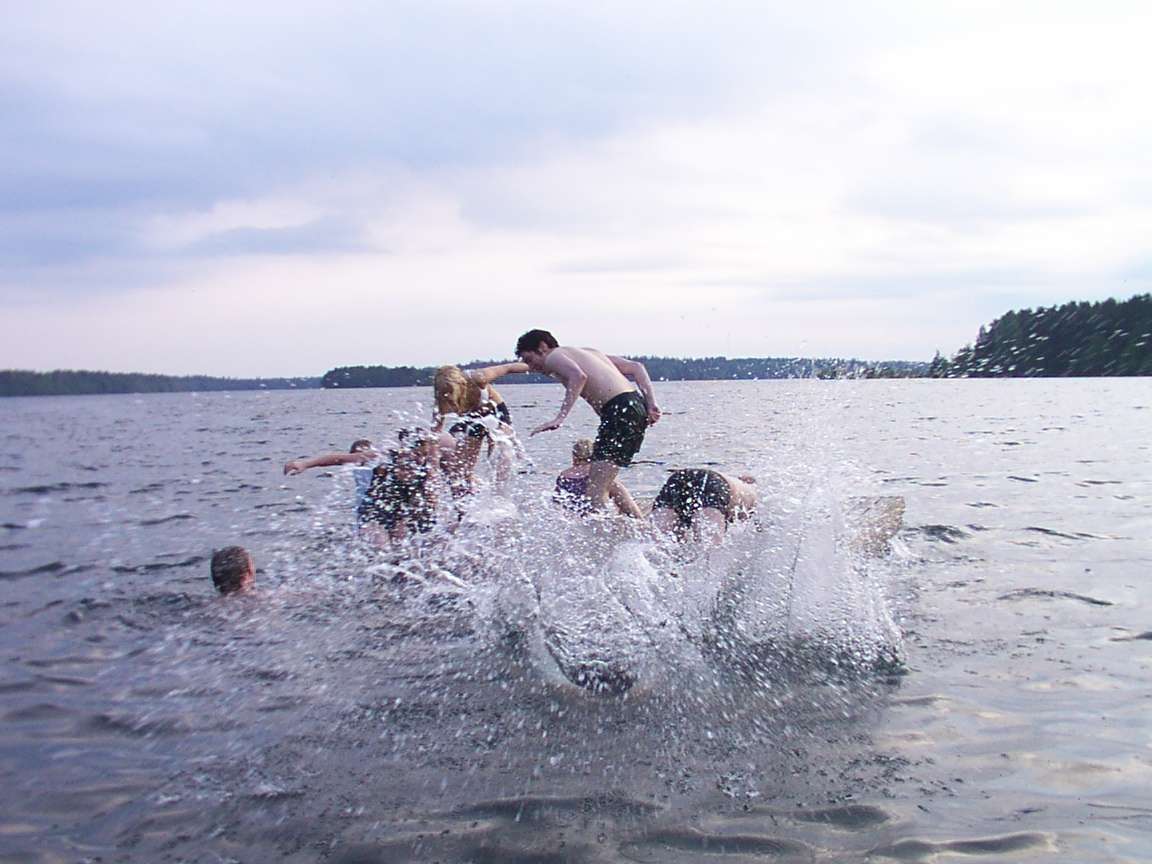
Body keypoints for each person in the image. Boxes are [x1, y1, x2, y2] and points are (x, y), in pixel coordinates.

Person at [514, 329, 660, 518]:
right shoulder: (591, 353)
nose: (532, 367)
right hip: (634, 407)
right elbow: (636, 367)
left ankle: (609, 534)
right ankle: (639, 526)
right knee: (603, 482)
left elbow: (578, 376)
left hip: (618, 412)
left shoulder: (553, 356)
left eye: (529, 359)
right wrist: (651, 404)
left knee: (595, 492)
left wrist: (560, 417)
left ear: (542, 347)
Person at [432, 363, 528, 497]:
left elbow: (508, 368)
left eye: (452, 393)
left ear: (461, 384)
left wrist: (539, 366)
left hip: (495, 414)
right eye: (444, 395)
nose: (449, 398)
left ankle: (500, 494)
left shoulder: (478, 377)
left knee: (502, 457)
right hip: (471, 420)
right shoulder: (441, 400)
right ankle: (474, 491)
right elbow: (435, 432)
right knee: (463, 469)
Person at [650, 470, 758, 544]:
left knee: (661, 544)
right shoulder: (750, 493)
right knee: (710, 550)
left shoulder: (733, 483)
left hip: (678, 478)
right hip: (711, 484)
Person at [553, 438, 633, 517]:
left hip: (573, 518)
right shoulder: (600, 474)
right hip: (596, 517)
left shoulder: (563, 476)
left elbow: (557, 502)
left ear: (574, 456)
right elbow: (628, 505)